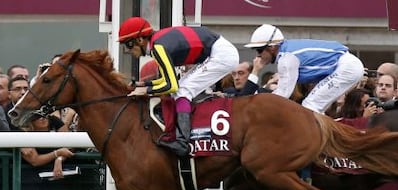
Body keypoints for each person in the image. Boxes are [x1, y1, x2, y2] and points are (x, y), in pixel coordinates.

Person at [118, 16, 239, 156]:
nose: (128, 51)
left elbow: (171, 85)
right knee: (181, 88)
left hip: (221, 54)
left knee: (182, 90)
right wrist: (143, 84)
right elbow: (166, 80)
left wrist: (145, 90)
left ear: (139, 40)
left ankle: (183, 142)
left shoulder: (158, 47)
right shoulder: (157, 44)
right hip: (215, 52)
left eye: (128, 45)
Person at [244, 24, 364, 114]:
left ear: (272, 47)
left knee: (310, 105)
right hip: (347, 66)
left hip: (347, 67)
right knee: (313, 106)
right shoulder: (286, 52)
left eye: (259, 50)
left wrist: (259, 102)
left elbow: (282, 95)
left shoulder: (286, 58)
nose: (258, 55)